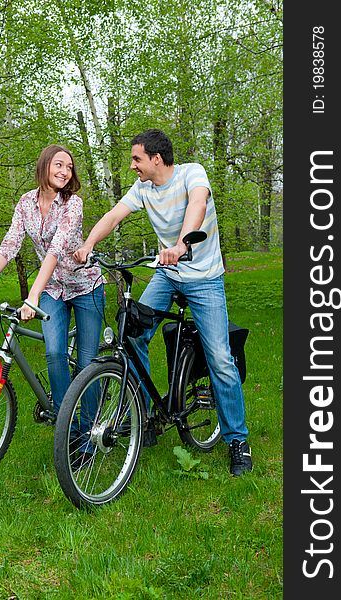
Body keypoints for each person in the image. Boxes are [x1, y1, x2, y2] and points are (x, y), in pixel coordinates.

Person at [74, 128, 252, 476]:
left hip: (204, 279)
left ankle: (237, 440)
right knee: (133, 332)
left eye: (136, 159)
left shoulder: (192, 173)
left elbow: (197, 205)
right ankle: (143, 416)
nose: (132, 166)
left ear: (157, 159)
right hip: (168, 274)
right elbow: (113, 216)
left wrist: (183, 245)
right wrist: (88, 244)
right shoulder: (143, 188)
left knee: (218, 356)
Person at [0, 144, 105, 426]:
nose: (65, 172)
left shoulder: (73, 204)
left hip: (85, 287)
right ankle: (65, 424)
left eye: (69, 167)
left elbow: (56, 250)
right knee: (55, 353)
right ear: (44, 165)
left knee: (87, 364)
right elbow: (10, 245)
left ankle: (88, 434)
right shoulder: (25, 203)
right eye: (59, 165)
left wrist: (32, 296)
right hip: (53, 289)